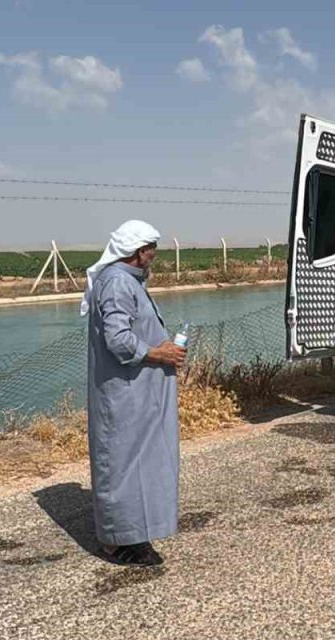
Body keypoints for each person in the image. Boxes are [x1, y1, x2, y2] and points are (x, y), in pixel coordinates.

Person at [81, 220, 187, 565]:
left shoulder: (126, 281)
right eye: (152, 249)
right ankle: (118, 540)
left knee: (142, 462)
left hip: (138, 395)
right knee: (124, 463)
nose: (154, 255)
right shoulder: (116, 284)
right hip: (124, 397)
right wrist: (159, 353)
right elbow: (118, 339)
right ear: (140, 252)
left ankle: (134, 533)